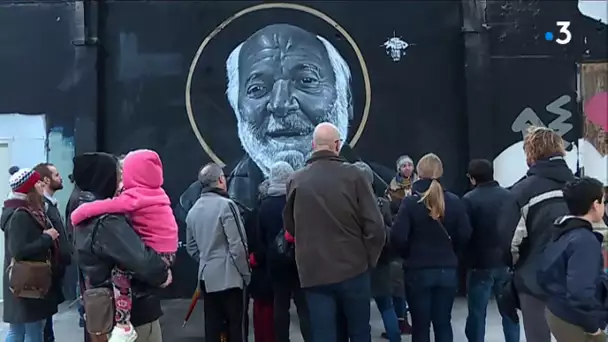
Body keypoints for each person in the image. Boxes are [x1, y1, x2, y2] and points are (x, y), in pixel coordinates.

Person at [283, 122, 386, 342]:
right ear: (337, 145)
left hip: (314, 273)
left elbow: (291, 227)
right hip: (354, 269)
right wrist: (368, 260)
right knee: (359, 332)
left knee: (324, 335)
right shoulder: (355, 176)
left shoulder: (296, 180)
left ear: (313, 145)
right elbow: (375, 226)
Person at [70, 149, 178, 342]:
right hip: (136, 315)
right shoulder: (108, 221)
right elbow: (143, 262)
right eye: (118, 175)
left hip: (100, 308)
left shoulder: (83, 211)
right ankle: (124, 323)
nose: (121, 181)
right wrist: (163, 273)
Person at [499, 126, 575, 342]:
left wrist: (516, 266)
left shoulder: (521, 191)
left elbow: (510, 243)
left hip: (534, 281)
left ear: (530, 153)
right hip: (575, 279)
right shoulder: (581, 187)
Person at [391, 153, 472, 342]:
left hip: (418, 270)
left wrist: (408, 254)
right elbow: (466, 233)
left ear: (418, 172)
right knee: (443, 323)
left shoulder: (410, 203)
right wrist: (452, 252)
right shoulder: (454, 201)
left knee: (420, 325)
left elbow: (398, 236)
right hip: (447, 269)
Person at [185, 163, 250, 342]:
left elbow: (191, 247)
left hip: (207, 278)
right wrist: (246, 274)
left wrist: (207, 260)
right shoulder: (227, 206)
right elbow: (238, 245)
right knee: (237, 329)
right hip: (231, 278)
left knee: (212, 328)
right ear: (221, 180)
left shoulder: (192, 211)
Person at [538, 177, 607, 341]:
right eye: (603, 201)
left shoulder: (562, 230)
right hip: (575, 319)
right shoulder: (584, 240)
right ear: (595, 205)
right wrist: (593, 327)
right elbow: (580, 291)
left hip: (557, 309)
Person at [461, 159, 520, 342]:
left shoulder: (469, 200)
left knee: (477, 314)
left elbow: (465, 232)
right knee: (509, 312)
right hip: (505, 261)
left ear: (472, 179)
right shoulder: (509, 196)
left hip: (479, 263)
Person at [2, 168, 61, 342]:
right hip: (28, 282)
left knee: (19, 330)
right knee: (32, 332)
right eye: (37, 182)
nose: (42, 185)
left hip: (24, 281)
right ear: (29, 188)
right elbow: (18, 250)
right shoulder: (21, 214)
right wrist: (46, 238)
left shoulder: (25, 210)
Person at [258, 161, 311, 342]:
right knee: (304, 306)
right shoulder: (298, 201)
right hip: (298, 261)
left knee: (280, 305)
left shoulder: (264, 205)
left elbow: (261, 237)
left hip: (276, 263)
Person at [353, 161, 401, 342]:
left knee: (360, 309)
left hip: (358, 262)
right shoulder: (382, 203)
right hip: (381, 259)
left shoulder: (349, 204)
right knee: (386, 304)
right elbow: (389, 228)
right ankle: (395, 337)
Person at [33, 163, 73, 342]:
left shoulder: (50, 205)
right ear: (46, 180)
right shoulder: (43, 206)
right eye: (56, 175)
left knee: (46, 322)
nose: (61, 177)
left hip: (54, 270)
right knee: (41, 326)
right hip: (47, 271)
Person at [245, 179, 276, 342]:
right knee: (271, 311)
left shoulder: (252, 215)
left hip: (256, 268)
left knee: (259, 308)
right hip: (270, 268)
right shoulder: (276, 211)